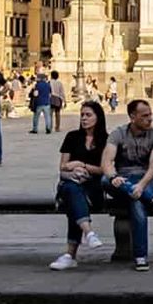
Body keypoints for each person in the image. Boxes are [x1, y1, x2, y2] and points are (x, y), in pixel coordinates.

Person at [100, 99, 153, 272]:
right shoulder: (118, 133)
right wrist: (113, 176)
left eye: (150, 114)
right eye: (145, 116)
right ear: (132, 117)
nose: (150, 119)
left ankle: (140, 256)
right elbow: (106, 162)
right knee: (104, 180)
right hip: (122, 178)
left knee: (136, 202)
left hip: (145, 178)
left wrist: (140, 186)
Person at [49, 101, 108, 270]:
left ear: (98, 117)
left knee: (73, 197)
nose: (84, 118)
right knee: (72, 190)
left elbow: (105, 170)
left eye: (88, 115)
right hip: (71, 182)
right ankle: (88, 233)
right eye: (82, 115)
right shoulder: (72, 137)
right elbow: (63, 167)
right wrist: (73, 173)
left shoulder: (106, 140)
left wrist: (81, 165)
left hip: (93, 188)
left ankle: (70, 255)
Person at [29, 70, 54, 135]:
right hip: (46, 103)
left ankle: (35, 129)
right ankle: (48, 128)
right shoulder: (48, 85)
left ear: (40, 78)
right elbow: (50, 94)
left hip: (39, 103)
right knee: (47, 117)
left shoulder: (37, 85)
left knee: (36, 117)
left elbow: (35, 94)